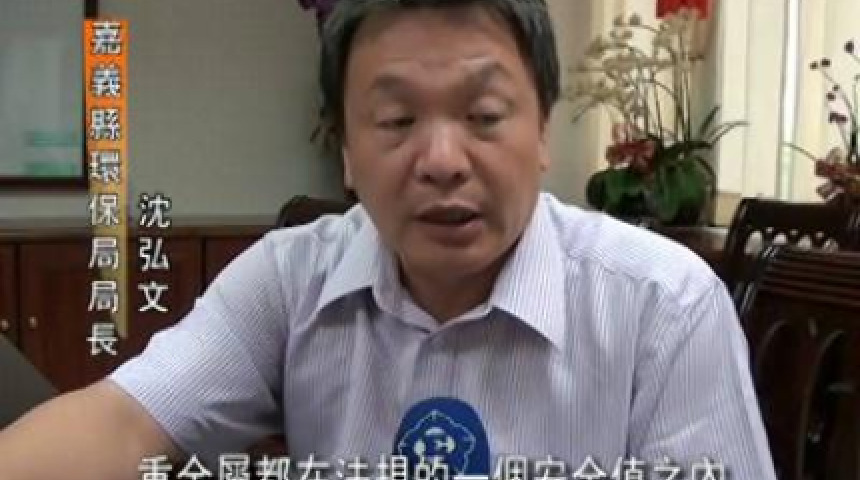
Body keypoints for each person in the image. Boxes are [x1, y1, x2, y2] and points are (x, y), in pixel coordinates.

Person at [0, 0, 776, 478]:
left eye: (483, 116)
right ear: (345, 148)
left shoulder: (664, 308)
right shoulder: (290, 280)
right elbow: (123, 423)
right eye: (397, 120)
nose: (441, 160)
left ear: (542, 128)